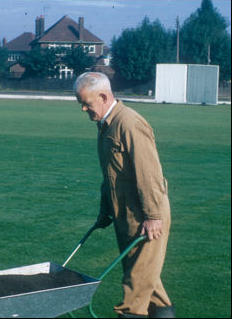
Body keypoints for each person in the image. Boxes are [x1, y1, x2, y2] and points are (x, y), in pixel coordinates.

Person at [74, 72, 175, 318]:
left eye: (87, 103)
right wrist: (104, 211)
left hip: (145, 218)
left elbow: (148, 173)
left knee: (134, 289)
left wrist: (153, 216)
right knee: (148, 285)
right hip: (126, 217)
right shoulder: (106, 126)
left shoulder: (128, 123)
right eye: (81, 104)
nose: (84, 109)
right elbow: (111, 176)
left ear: (104, 96)